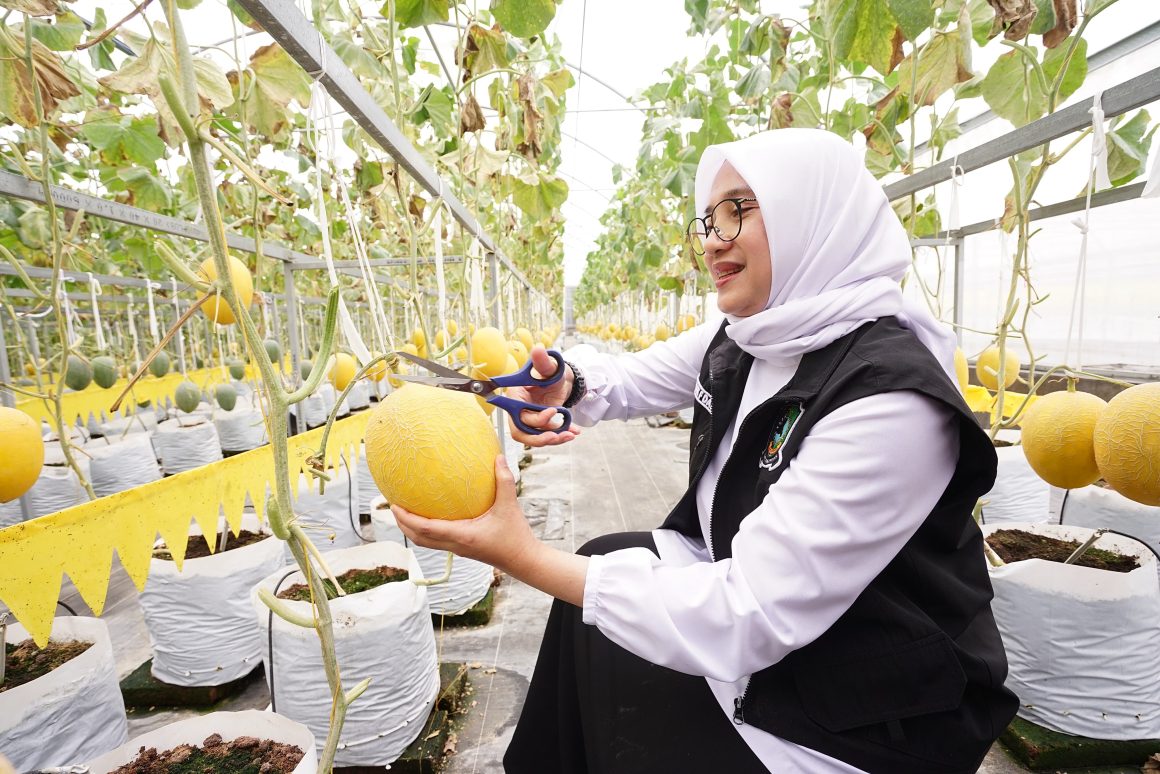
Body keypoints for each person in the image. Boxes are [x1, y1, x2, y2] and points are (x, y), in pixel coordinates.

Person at [391, 128, 1019, 773]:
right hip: (780, 639)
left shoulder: (891, 402)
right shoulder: (758, 331)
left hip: (861, 711)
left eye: (740, 209)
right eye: (709, 218)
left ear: (813, 214)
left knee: (604, 638)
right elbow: (638, 378)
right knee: (602, 564)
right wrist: (566, 383)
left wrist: (520, 556)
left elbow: (746, 613)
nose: (714, 238)